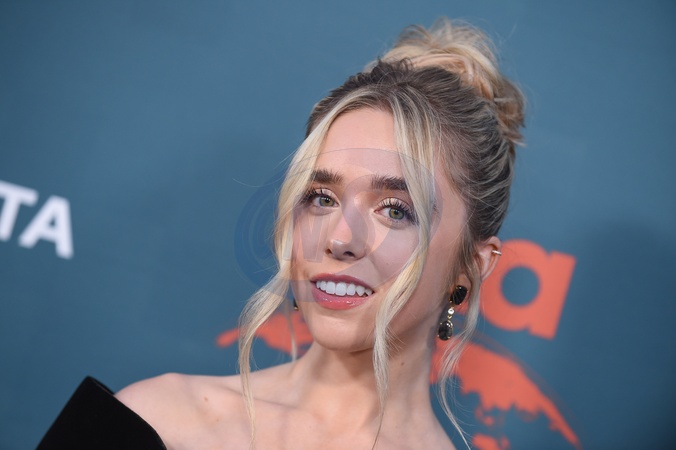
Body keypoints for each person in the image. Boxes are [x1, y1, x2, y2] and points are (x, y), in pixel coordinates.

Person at [38, 17, 524, 450]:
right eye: (322, 198)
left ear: (470, 267)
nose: (339, 239)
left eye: (395, 210)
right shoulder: (157, 421)